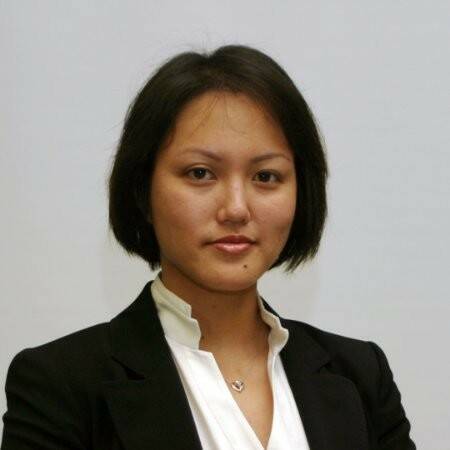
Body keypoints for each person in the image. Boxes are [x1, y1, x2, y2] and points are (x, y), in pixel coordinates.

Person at [1, 44, 415, 450]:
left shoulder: (361, 375)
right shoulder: (62, 385)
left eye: (266, 176)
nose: (235, 209)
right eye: (200, 173)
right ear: (143, 191)